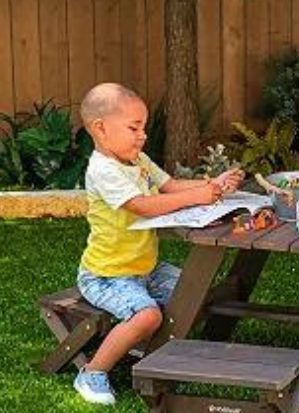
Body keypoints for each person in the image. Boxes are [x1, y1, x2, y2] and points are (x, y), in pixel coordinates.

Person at [73, 83, 244, 405]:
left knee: (196, 292)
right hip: (107, 275)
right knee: (147, 316)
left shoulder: (137, 160)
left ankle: (174, 351)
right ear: (100, 128)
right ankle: (92, 372)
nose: (142, 136)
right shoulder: (103, 170)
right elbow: (142, 205)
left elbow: (171, 185)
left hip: (145, 269)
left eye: (144, 128)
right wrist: (198, 196)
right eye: (133, 128)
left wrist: (213, 184)